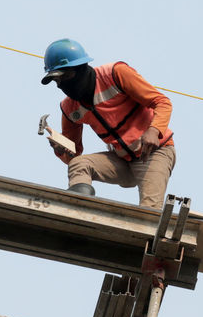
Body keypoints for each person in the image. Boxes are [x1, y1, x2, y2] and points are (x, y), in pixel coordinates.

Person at [40, 38, 176, 208]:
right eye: (56, 81)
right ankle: (78, 210)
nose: (61, 84)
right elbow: (74, 154)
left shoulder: (115, 75)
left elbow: (162, 102)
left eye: (64, 76)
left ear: (81, 68)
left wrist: (154, 130)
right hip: (122, 161)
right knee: (79, 165)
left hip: (154, 153)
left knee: (149, 211)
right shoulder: (69, 108)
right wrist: (61, 149)